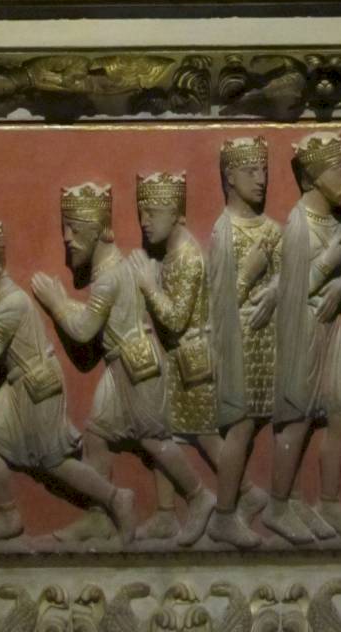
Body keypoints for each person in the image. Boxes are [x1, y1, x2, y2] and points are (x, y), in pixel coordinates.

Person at [0, 221, 135, 547]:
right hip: (20, 382)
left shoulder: (10, 305)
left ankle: (116, 498)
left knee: (53, 463)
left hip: (37, 385)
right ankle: (9, 517)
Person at [32, 182, 214, 546]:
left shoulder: (109, 279)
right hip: (123, 366)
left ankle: (199, 496)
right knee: (97, 436)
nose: (68, 239)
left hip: (137, 368)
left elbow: (84, 330)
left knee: (154, 440)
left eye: (75, 230)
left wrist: (56, 303)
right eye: (65, 229)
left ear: (97, 231)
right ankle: (100, 516)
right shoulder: (124, 264)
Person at [267, 132, 341, 543]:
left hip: (330, 328)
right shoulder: (298, 225)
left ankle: (328, 502)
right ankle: (278, 506)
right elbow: (294, 288)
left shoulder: (338, 223)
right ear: (314, 176)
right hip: (303, 328)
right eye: (340, 168)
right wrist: (330, 263)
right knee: (298, 417)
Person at [128, 172, 219, 542]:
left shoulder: (187, 258)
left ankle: (234, 496)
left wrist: (149, 287)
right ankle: (167, 513)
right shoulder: (172, 254)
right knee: (164, 434)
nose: (144, 222)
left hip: (191, 364)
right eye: (141, 213)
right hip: (177, 363)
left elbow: (176, 319)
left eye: (151, 212)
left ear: (175, 212)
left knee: (207, 440)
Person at [207, 138, 279, 548]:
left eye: (264, 170)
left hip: (269, 345)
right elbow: (219, 306)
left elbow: (290, 277)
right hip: (238, 348)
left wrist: (276, 290)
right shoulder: (224, 232)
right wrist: (250, 274)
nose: (262, 179)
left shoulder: (271, 229)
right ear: (230, 177)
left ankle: (247, 498)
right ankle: (223, 515)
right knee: (241, 427)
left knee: (254, 428)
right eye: (252, 171)